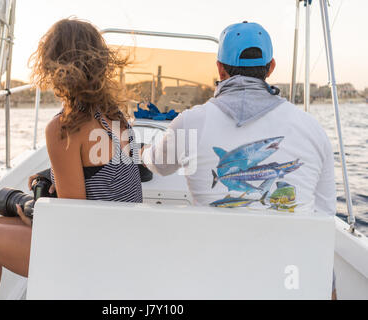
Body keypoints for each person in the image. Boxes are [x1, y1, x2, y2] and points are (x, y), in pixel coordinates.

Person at [141, 21, 337, 298]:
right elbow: (325, 217)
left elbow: (155, 165)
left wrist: (139, 150)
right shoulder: (313, 129)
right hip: (291, 282)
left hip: (216, 278)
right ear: (270, 68)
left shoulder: (191, 123)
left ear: (220, 68)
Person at [0, 18, 142, 300]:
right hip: (127, 243)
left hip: (94, 254)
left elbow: (69, 220)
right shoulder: (116, 117)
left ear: (52, 66)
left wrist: (25, 208)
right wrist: (52, 176)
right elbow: (104, 174)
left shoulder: (64, 127)